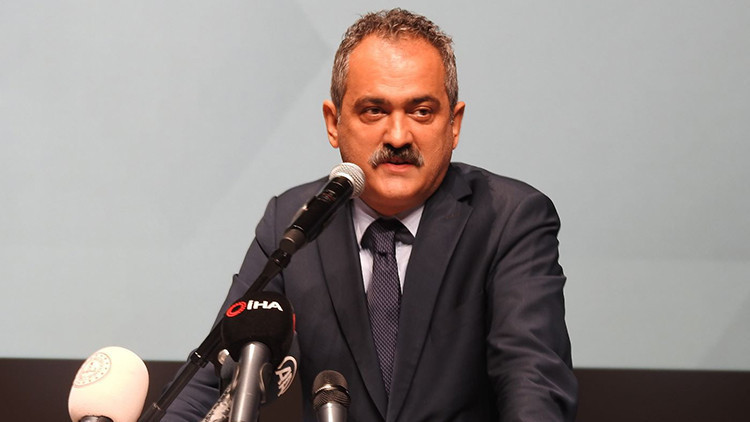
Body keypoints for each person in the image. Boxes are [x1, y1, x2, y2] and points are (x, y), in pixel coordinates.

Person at [164, 8, 577, 422]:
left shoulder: (509, 219)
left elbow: (532, 383)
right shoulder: (292, 223)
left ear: (454, 124)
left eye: (421, 111)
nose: (398, 136)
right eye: (374, 111)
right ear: (333, 123)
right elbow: (211, 383)